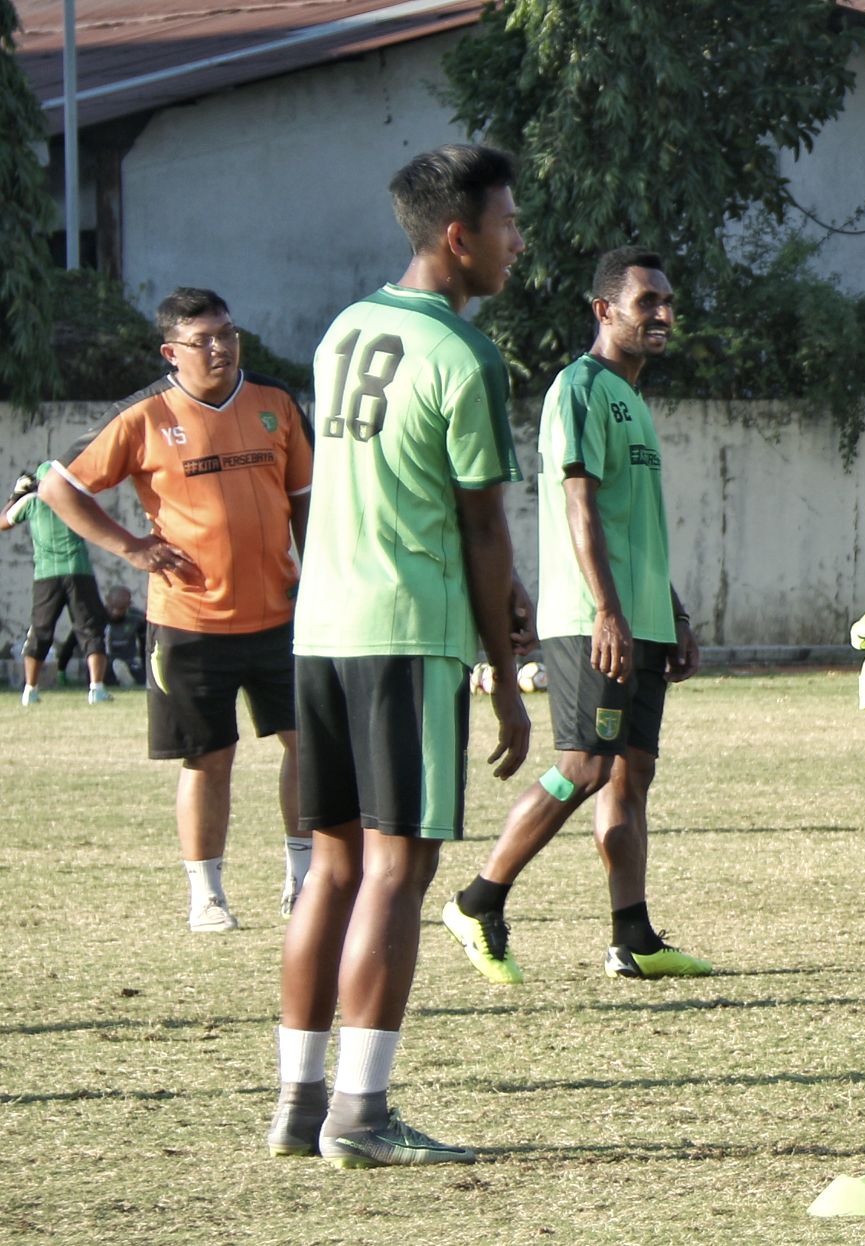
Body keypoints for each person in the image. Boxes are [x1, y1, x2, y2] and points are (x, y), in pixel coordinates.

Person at [268, 143, 532, 1169]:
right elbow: (478, 526)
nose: (519, 241)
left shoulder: (345, 328)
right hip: (405, 633)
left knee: (329, 869)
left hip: (322, 627)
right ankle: (363, 1114)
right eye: (508, 223)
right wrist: (504, 678)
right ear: (458, 236)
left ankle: (298, 1101)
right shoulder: (464, 357)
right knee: (397, 870)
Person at [442, 245, 711, 986]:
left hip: (643, 619)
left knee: (632, 773)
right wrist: (609, 613)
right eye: (645, 302)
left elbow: (636, 524)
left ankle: (634, 939)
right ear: (604, 310)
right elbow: (579, 506)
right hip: (594, 620)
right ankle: (477, 900)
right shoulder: (581, 388)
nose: (662, 314)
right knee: (584, 767)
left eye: (667, 301)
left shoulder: (632, 398)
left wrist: (674, 614)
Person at [39, 290, 313, 931]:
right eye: (203, 339)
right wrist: (131, 547)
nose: (220, 347)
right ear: (172, 351)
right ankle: (207, 894)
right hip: (190, 622)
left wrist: (319, 575)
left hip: (282, 615)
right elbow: (59, 485)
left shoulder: (274, 402)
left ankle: (302, 880)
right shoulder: (144, 415)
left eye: (227, 333)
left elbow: (303, 500)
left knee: (307, 745)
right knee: (210, 757)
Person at [3, 463, 111, 704]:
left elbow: (3, 522)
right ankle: (97, 688)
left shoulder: (31, 501)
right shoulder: (76, 498)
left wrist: (16, 495)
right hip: (79, 570)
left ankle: (30, 690)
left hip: (46, 574)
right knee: (91, 628)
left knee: (40, 630)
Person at [57, 583, 146, 687]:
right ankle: (122, 680)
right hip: (102, 663)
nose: (116, 612)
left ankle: (129, 679)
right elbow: (71, 643)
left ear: (129, 604)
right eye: (113, 607)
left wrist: (147, 671)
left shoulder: (137, 618)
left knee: (138, 674)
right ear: (107, 600)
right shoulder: (92, 617)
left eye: (121, 608)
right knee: (103, 671)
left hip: (128, 662)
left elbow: (145, 646)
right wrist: (61, 669)